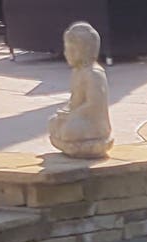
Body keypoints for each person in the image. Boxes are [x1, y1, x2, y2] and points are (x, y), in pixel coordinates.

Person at [47, 21, 112, 159]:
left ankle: (92, 141)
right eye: (66, 50)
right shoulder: (77, 72)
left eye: (72, 50)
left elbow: (94, 105)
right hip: (78, 117)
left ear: (86, 51)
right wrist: (66, 111)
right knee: (53, 122)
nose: (67, 54)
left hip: (93, 122)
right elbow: (74, 99)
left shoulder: (94, 74)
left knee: (68, 132)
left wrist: (73, 115)